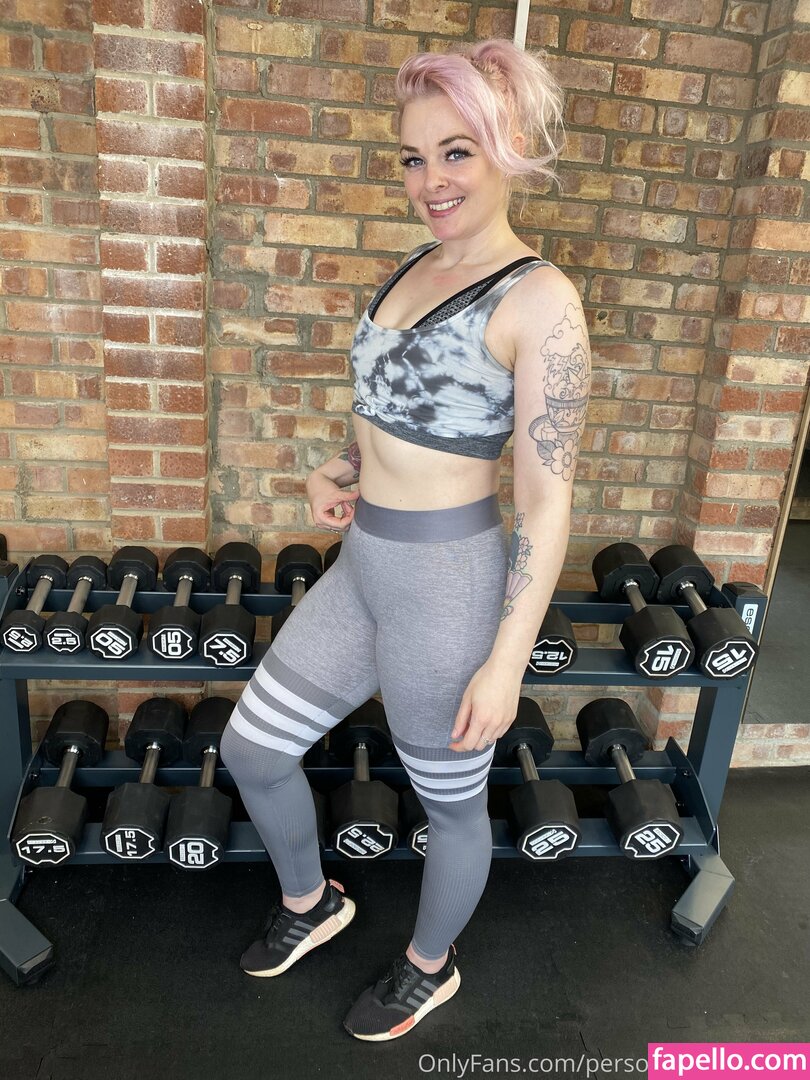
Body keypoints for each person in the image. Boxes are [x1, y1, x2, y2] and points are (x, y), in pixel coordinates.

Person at [220, 37, 591, 1041]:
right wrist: (336, 469)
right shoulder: (414, 267)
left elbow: (546, 503)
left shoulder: (540, 301)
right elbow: (389, 410)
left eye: (456, 152)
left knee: (451, 807)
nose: (431, 181)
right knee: (252, 749)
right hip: (364, 569)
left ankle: (431, 966)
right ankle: (312, 902)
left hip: (447, 587)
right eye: (414, 157)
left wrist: (506, 663)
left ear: (508, 148)